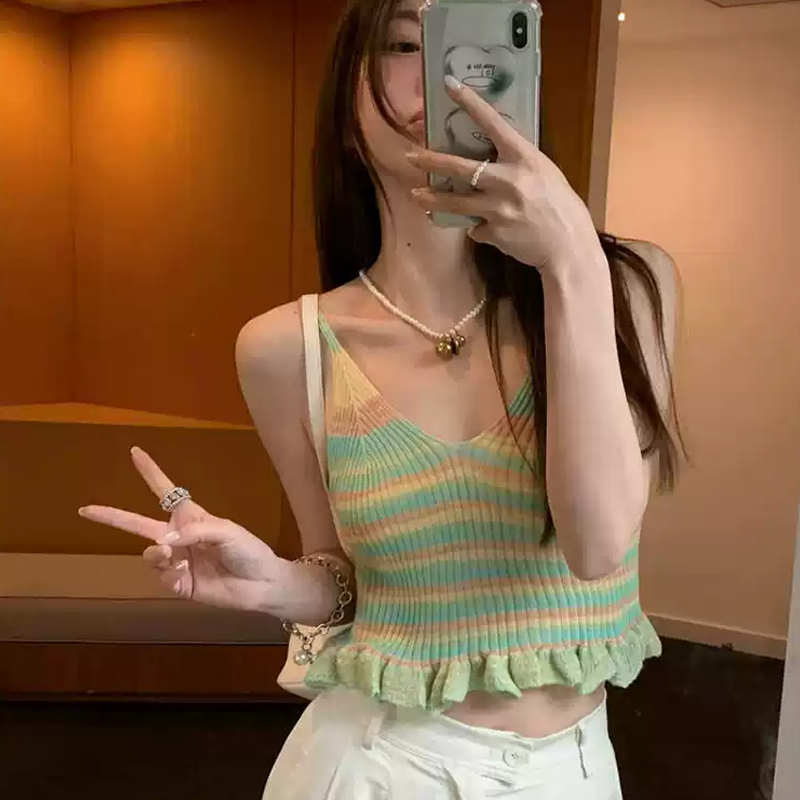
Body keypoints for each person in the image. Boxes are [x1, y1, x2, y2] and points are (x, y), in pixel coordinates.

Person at [78, 0, 684, 796]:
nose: (443, 71)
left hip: (572, 771)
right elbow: (346, 581)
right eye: (404, 41)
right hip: (376, 764)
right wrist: (277, 583)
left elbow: (598, 543)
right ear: (346, 103)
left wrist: (570, 259)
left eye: (469, 39)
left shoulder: (627, 286)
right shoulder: (286, 347)